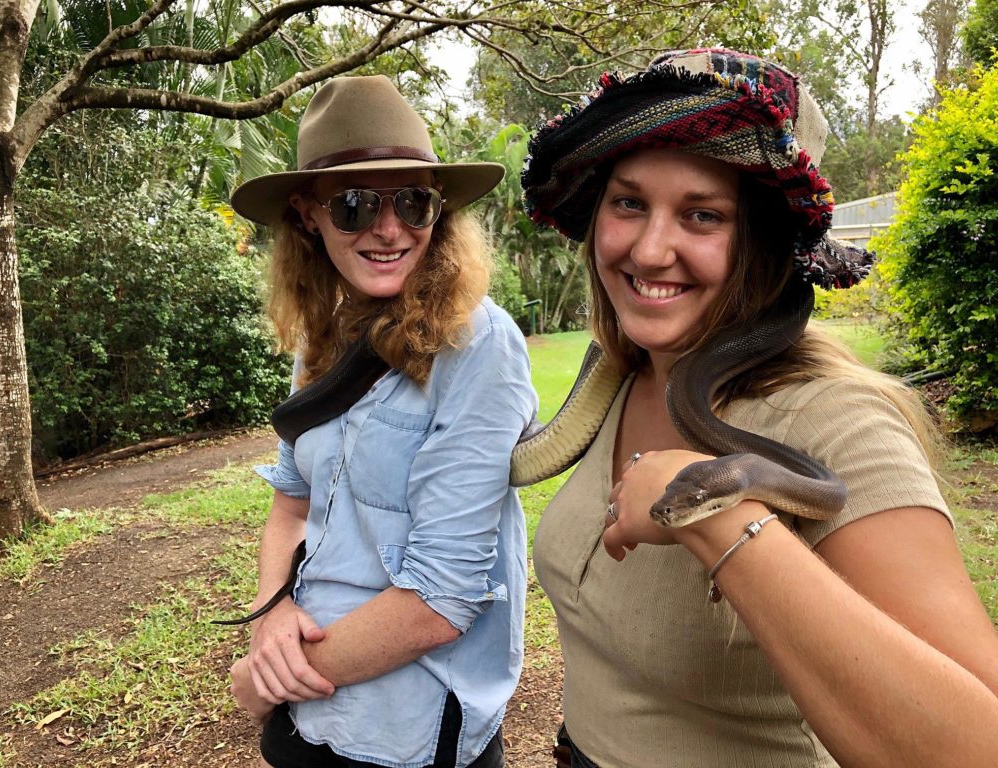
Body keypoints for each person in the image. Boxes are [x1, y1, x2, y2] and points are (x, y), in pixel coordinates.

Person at [521, 48, 998, 767]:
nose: (651, 251)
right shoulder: (624, 376)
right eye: (628, 202)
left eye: (702, 214)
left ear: (762, 246)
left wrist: (729, 524)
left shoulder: (832, 421)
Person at [226, 75, 537, 768]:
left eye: (413, 201)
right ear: (308, 216)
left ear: (440, 211)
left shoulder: (476, 344)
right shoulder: (321, 338)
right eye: (355, 205)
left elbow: (438, 600)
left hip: (407, 727)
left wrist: (268, 679)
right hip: (307, 712)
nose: (389, 228)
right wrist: (271, 613)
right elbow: (290, 504)